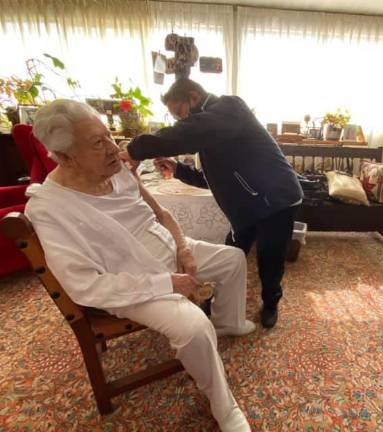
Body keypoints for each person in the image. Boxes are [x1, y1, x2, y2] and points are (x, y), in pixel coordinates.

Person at [25, 99, 253, 432]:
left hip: (169, 251)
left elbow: (162, 214)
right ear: (65, 157)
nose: (113, 148)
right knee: (193, 328)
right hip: (132, 282)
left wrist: (184, 248)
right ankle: (224, 407)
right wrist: (168, 283)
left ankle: (226, 323)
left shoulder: (116, 170)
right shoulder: (49, 208)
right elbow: (84, 286)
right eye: (98, 143)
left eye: (108, 135)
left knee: (233, 259)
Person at [120, 78, 304, 328]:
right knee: (230, 255)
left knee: (270, 259)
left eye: (180, 113)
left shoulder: (229, 108)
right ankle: (217, 299)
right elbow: (213, 179)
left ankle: (271, 302)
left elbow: (187, 133)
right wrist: (178, 169)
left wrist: (135, 149)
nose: (180, 121)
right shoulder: (212, 129)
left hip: (277, 199)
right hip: (247, 205)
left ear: (193, 97)